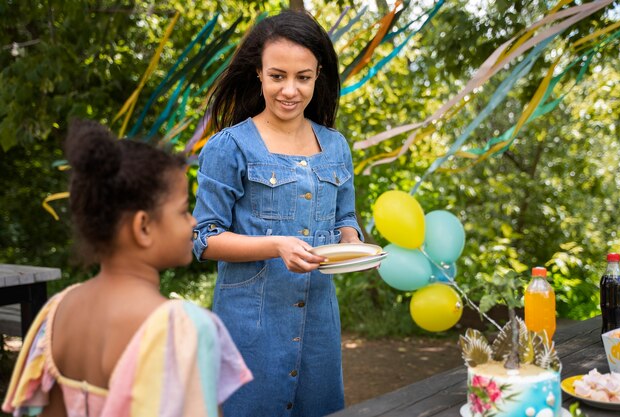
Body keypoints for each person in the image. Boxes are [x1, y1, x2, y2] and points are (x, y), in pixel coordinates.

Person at [2, 120, 252, 417]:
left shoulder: (57, 312)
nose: (193, 222)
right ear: (143, 226)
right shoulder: (181, 328)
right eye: (184, 210)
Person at [192, 9, 363, 417]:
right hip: (251, 327)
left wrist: (353, 244)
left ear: (318, 74)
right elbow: (204, 238)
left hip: (319, 324)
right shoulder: (228, 146)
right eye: (277, 76)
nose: (290, 90)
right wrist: (275, 244)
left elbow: (345, 219)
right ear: (258, 73)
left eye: (303, 77)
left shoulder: (335, 146)